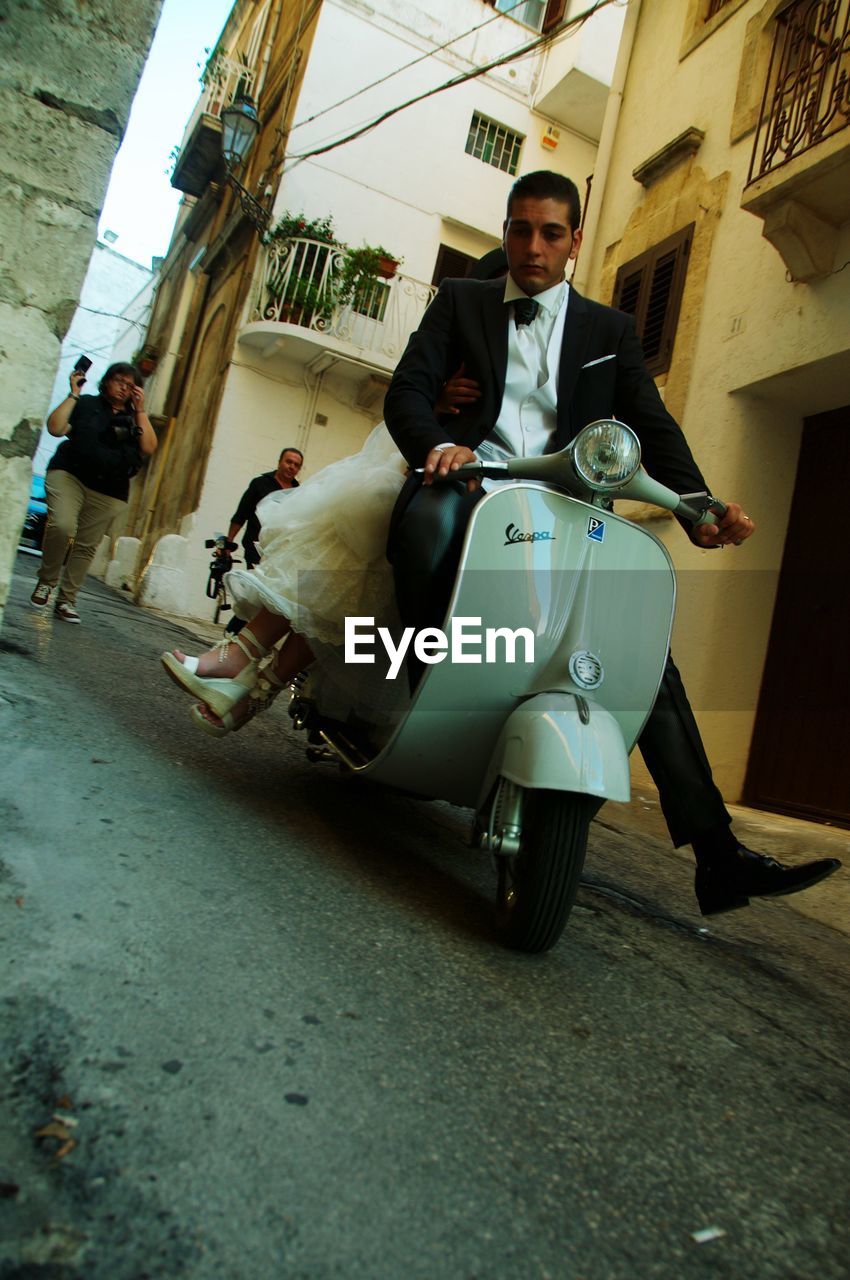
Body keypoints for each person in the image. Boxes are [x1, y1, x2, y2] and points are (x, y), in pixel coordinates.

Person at [161, 170, 839, 915]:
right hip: (466, 483)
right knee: (426, 524)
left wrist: (698, 507)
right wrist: (434, 448)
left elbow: (652, 427)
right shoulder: (463, 301)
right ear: (507, 231)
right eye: (521, 229)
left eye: (552, 232)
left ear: (576, 241)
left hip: (561, 511)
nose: (534, 246)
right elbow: (409, 392)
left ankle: (718, 853)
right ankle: (430, 692)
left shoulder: (609, 332)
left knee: (641, 655)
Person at [31, 362, 157, 623]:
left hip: (110, 490)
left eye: (130, 384)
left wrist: (141, 410)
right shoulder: (86, 404)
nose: (123, 387)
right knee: (62, 526)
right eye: (119, 380)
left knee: (86, 546)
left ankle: (67, 600)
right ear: (107, 381)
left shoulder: (136, 419)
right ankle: (47, 581)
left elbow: (149, 447)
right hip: (71, 475)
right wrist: (73, 393)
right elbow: (56, 428)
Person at [222, 447, 303, 634]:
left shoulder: (299, 492)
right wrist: (228, 541)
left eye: (296, 465)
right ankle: (234, 631)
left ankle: (240, 632)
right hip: (255, 547)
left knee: (268, 594)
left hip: (280, 551)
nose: (291, 467)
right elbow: (241, 514)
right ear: (279, 462)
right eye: (288, 462)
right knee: (256, 591)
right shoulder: (260, 484)